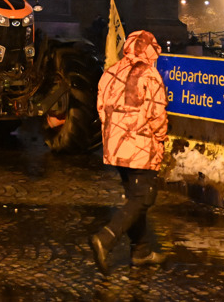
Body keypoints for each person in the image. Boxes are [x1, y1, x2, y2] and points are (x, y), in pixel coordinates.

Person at [90, 29, 168, 273]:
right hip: (140, 147)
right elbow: (157, 113)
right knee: (143, 198)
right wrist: (161, 138)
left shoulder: (110, 72)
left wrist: (113, 136)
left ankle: (141, 251)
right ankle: (106, 238)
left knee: (135, 197)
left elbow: (101, 108)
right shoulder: (149, 75)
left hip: (115, 147)